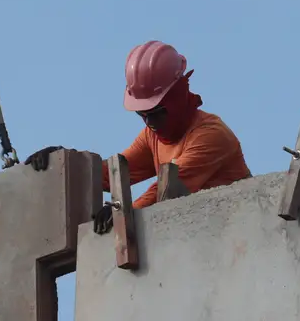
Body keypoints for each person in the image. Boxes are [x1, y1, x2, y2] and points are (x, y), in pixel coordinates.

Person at [26, 40, 251, 227]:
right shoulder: (152, 137)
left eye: (157, 113)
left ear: (178, 96)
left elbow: (167, 189)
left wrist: (124, 211)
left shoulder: (211, 135)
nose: (150, 122)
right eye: (143, 114)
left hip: (238, 234)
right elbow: (113, 175)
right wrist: (67, 163)